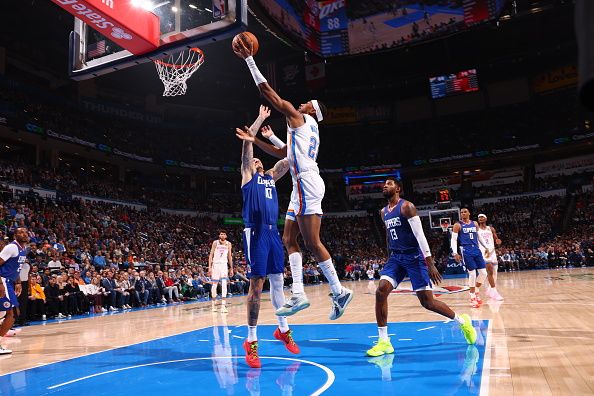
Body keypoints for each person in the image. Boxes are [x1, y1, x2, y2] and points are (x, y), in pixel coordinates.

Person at [233, 44, 353, 320]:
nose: (303, 102)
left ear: (312, 111)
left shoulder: (300, 118)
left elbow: (269, 94)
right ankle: (298, 293)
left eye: (308, 102)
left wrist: (250, 59)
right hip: (302, 181)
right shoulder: (305, 128)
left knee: (311, 241)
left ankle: (339, 289)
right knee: (289, 238)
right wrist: (257, 141)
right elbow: (283, 155)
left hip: (307, 182)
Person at [366, 178, 476, 357]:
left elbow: (420, 235)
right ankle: (384, 341)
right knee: (381, 291)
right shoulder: (383, 212)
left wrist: (430, 263)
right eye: (384, 184)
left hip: (414, 257)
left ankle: (462, 321)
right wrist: (389, 257)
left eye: (389, 183)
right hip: (396, 258)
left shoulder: (407, 207)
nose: (385, 185)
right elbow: (388, 236)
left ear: (398, 189)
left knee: (427, 302)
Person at [235, 106, 300, 368]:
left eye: (259, 159)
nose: (257, 161)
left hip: (273, 233)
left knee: (277, 282)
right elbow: (247, 147)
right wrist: (260, 119)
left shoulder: (271, 176)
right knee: (256, 286)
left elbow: (289, 158)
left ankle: (282, 329)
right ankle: (250, 341)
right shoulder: (247, 176)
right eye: (254, 160)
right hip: (256, 231)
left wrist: (294, 135)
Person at [451, 208, 489, 308]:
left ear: (469, 213)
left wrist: (485, 247)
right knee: (472, 273)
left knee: (484, 273)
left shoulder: (475, 223)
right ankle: (472, 297)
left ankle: (476, 289)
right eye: (461, 212)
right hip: (466, 250)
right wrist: (455, 253)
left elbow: (478, 237)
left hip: (476, 249)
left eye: (465, 212)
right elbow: (454, 240)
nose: (463, 213)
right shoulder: (457, 225)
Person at [0, 227, 29, 354]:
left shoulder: (23, 250)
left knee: (6, 314)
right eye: (20, 232)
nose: (24, 234)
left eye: (25, 232)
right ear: (15, 236)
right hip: (3, 280)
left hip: (9, 282)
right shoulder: (11, 247)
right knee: (11, 315)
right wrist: (0, 283)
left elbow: (15, 267)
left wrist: (17, 282)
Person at [477, 214, 504, 301]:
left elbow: (496, 239)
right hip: (484, 252)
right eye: (479, 217)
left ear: (486, 218)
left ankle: (490, 290)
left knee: (495, 272)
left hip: (492, 252)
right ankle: (494, 291)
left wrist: (498, 241)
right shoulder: (476, 229)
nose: (480, 218)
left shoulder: (491, 228)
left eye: (482, 217)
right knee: (489, 271)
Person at [208, 230, 234, 313]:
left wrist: (231, 268)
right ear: (219, 235)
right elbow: (211, 255)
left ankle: (223, 305)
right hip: (215, 265)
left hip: (223, 265)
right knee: (214, 285)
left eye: (224, 234)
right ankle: (213, 304)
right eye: (221, 234)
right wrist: (209, 267)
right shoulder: (215, 243)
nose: (222, 235)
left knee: (224, 284)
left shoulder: (228, 244)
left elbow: (229, 256)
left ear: (226, 236)